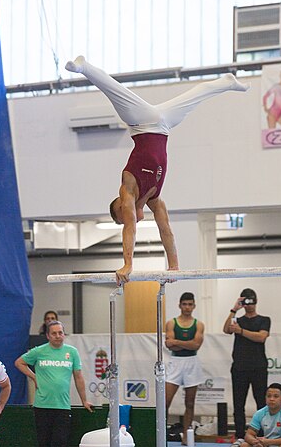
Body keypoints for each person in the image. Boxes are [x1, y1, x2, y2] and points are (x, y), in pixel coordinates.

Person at [66, 56, 249, 282]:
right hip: (163, 126)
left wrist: (128, 264)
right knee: (194, 97)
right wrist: (174, 266)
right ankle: (226, 82)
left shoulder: (128, 191)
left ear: (123, 208)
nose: (132, 219)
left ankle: (83, 66)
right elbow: (166, 231)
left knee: (114, 90)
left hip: (141, 122)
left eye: (125, 216)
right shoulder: (156, 200)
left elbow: (130, 228)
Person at [15, 320, 93, 447]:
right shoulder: (39, 351)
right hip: (42, 406)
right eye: (54, 333)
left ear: (64, 334)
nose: (57, 336)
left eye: (60, 333)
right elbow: (19, 362)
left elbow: (78, 377)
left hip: (62, 407)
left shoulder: (72, 352)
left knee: (60, 446)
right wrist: (34, 377)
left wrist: (84, 401)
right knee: (44, 446)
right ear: (48, 336)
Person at [223, 288, 271, 447]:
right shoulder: (238, 319)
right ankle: (239, 435)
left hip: (258, 367)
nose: (249, 305)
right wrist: (234, 309)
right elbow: (226, 329)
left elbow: (261, 337)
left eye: (251, 301)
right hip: (239, 367)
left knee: (261, 403)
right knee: (238, 403)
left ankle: (262, 434)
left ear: (256, 301)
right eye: (246, 302)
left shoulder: (264, 320)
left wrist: (241, 331)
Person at [165, 292, 205, 446]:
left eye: (190, 304)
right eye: (184, 304)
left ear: (194, 306)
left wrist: (176, 341)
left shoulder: (199, 324)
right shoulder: (172, 323)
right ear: (180, 305)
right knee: (166, 402)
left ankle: (186, 435)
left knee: (190, 402)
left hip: (192, 362)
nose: (187, 307)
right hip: (176, 362)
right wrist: (186, 343)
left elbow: (196, 345)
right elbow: (168, 345)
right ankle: (161, 433)